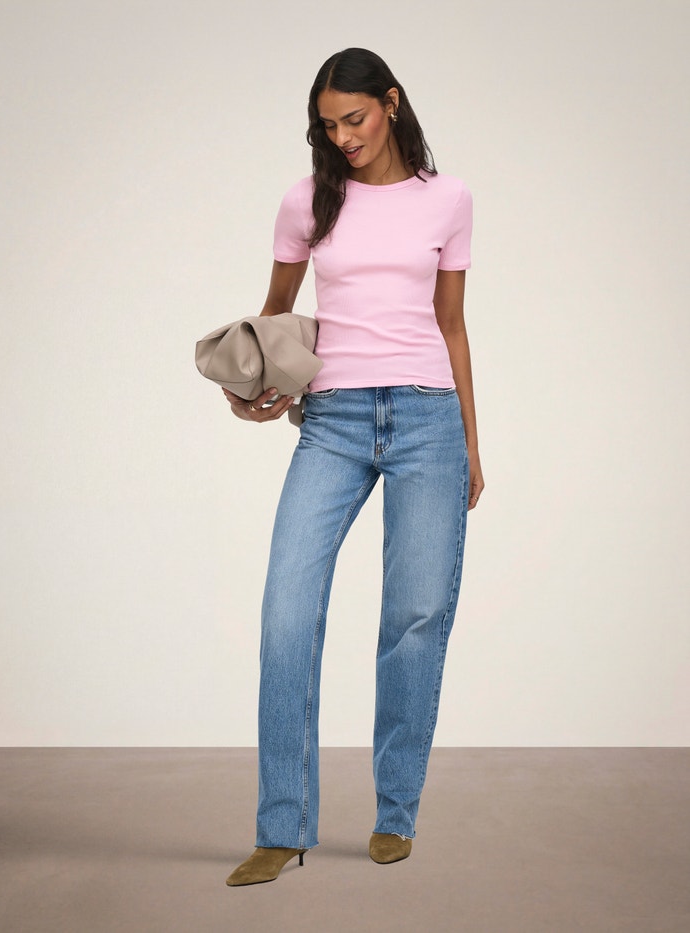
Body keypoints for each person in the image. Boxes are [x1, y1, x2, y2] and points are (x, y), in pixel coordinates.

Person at [223, 47, 484, 886]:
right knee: (286, 612)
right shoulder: (308, 200)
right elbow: (274, 315)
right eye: (328, 124)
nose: (342, 136)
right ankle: (281, 825)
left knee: (414, 616)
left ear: (392, 103)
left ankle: (394, 812)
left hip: (427, 418)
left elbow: (451, 324)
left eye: (355, 118)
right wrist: (252, 387)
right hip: (332, 421)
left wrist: (472, 442)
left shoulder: (448, 199)